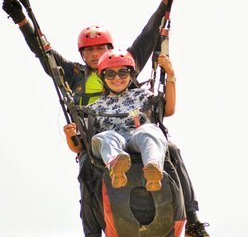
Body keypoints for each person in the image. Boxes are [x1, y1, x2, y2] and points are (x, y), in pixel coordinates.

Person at [2, 0, 212, 237]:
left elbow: (149, 34)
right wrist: (21, 19)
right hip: (102, 144)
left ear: (112, 51)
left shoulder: (125, 66)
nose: (96, 54)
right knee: (86, 170)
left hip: (139, 137)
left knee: (173, 151)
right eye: (89, 51)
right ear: (82, 54)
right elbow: (43, 53)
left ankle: (192, 219)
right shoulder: (74, 76)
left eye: (101, 48)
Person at [64, 50, 175, 192]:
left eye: (122, 73)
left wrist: (170, 75)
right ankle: (116, 166)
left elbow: (169, 109)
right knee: (103, 137)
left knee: (150, 131)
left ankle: (152, 167)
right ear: (103, 77)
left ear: (130, 75)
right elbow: (79, 147)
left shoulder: (143, 95)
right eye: (110, 74)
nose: (117, 78)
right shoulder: (94, 107)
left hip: (138, 138)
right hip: (114, 142)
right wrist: (70, 135)